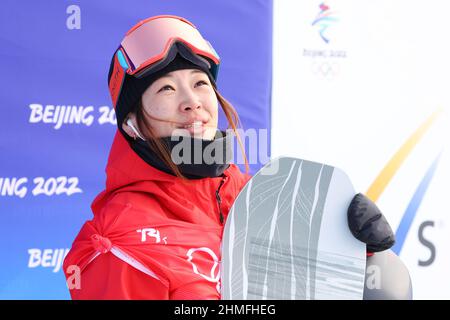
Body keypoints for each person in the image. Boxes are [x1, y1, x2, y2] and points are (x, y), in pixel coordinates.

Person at [63, 15, 395, 300]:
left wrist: (354, 246)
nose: (192, 101)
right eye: (166, 88)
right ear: (134, 124)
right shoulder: (118, 239)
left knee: (388, 279)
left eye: (200, 83)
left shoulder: (265, 199)